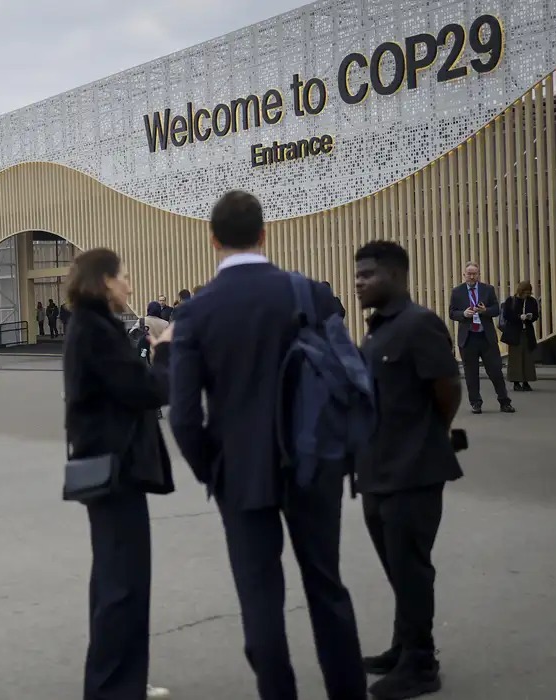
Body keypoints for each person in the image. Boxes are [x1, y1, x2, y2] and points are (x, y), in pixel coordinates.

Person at [169, 190, 367, 700]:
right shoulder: (310, 293)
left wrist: (212, 469)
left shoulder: (195, 313)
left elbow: (185, 416)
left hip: (241, 473)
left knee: (260, 601)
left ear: (212, 238)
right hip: (314, 461)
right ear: (265, 233)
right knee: (327, 587)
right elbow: (345, 373)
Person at [63, 248, 174, 700]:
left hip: (108, 469)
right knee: (122, 583)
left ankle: (121, 678)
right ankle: (113, 686)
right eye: (124, 275)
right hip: (116, 471)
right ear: (105, 281)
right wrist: (164, 354)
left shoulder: (89, 327)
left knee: (115, 579)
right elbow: (145, 390)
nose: (129, 283)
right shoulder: (97, 330)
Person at [354, 241, 463, 699]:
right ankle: (403, 648)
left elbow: (447, 390)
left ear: (396, 277)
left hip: (413, 472)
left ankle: (421, 665)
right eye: (357, 275)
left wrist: (425, 436)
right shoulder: (376, 331)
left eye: (368, 275)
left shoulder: (419, 325)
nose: (359, 282)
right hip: (377, 471)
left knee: (412, 569)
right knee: (397, 568)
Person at [448, 262, 514, 414]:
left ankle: (504, 402)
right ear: (464, 275)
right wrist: (463, 314)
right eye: (469, 273)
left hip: (486, 337)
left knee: (495, 371)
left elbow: (496, 309)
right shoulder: (457, 292)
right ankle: (476, 403)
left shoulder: (488, 289)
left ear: (479, 274)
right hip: (468, 338)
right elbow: (452, 312)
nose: (472, 276)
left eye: (474, 273)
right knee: (471, 374)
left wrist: (485, 310)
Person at [501, 281, 540, 392]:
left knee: (527, 357)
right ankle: (516, 382)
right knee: (515, 358)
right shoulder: (511, 300)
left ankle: (526, 381)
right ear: (520, 291)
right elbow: (507, 315)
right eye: (525, 293)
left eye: (528, 293)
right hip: (515, 332)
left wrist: (530, 317)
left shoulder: (532, 301)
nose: (526, 295)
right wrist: (519, 317)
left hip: (526, 332)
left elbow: (536, 315)